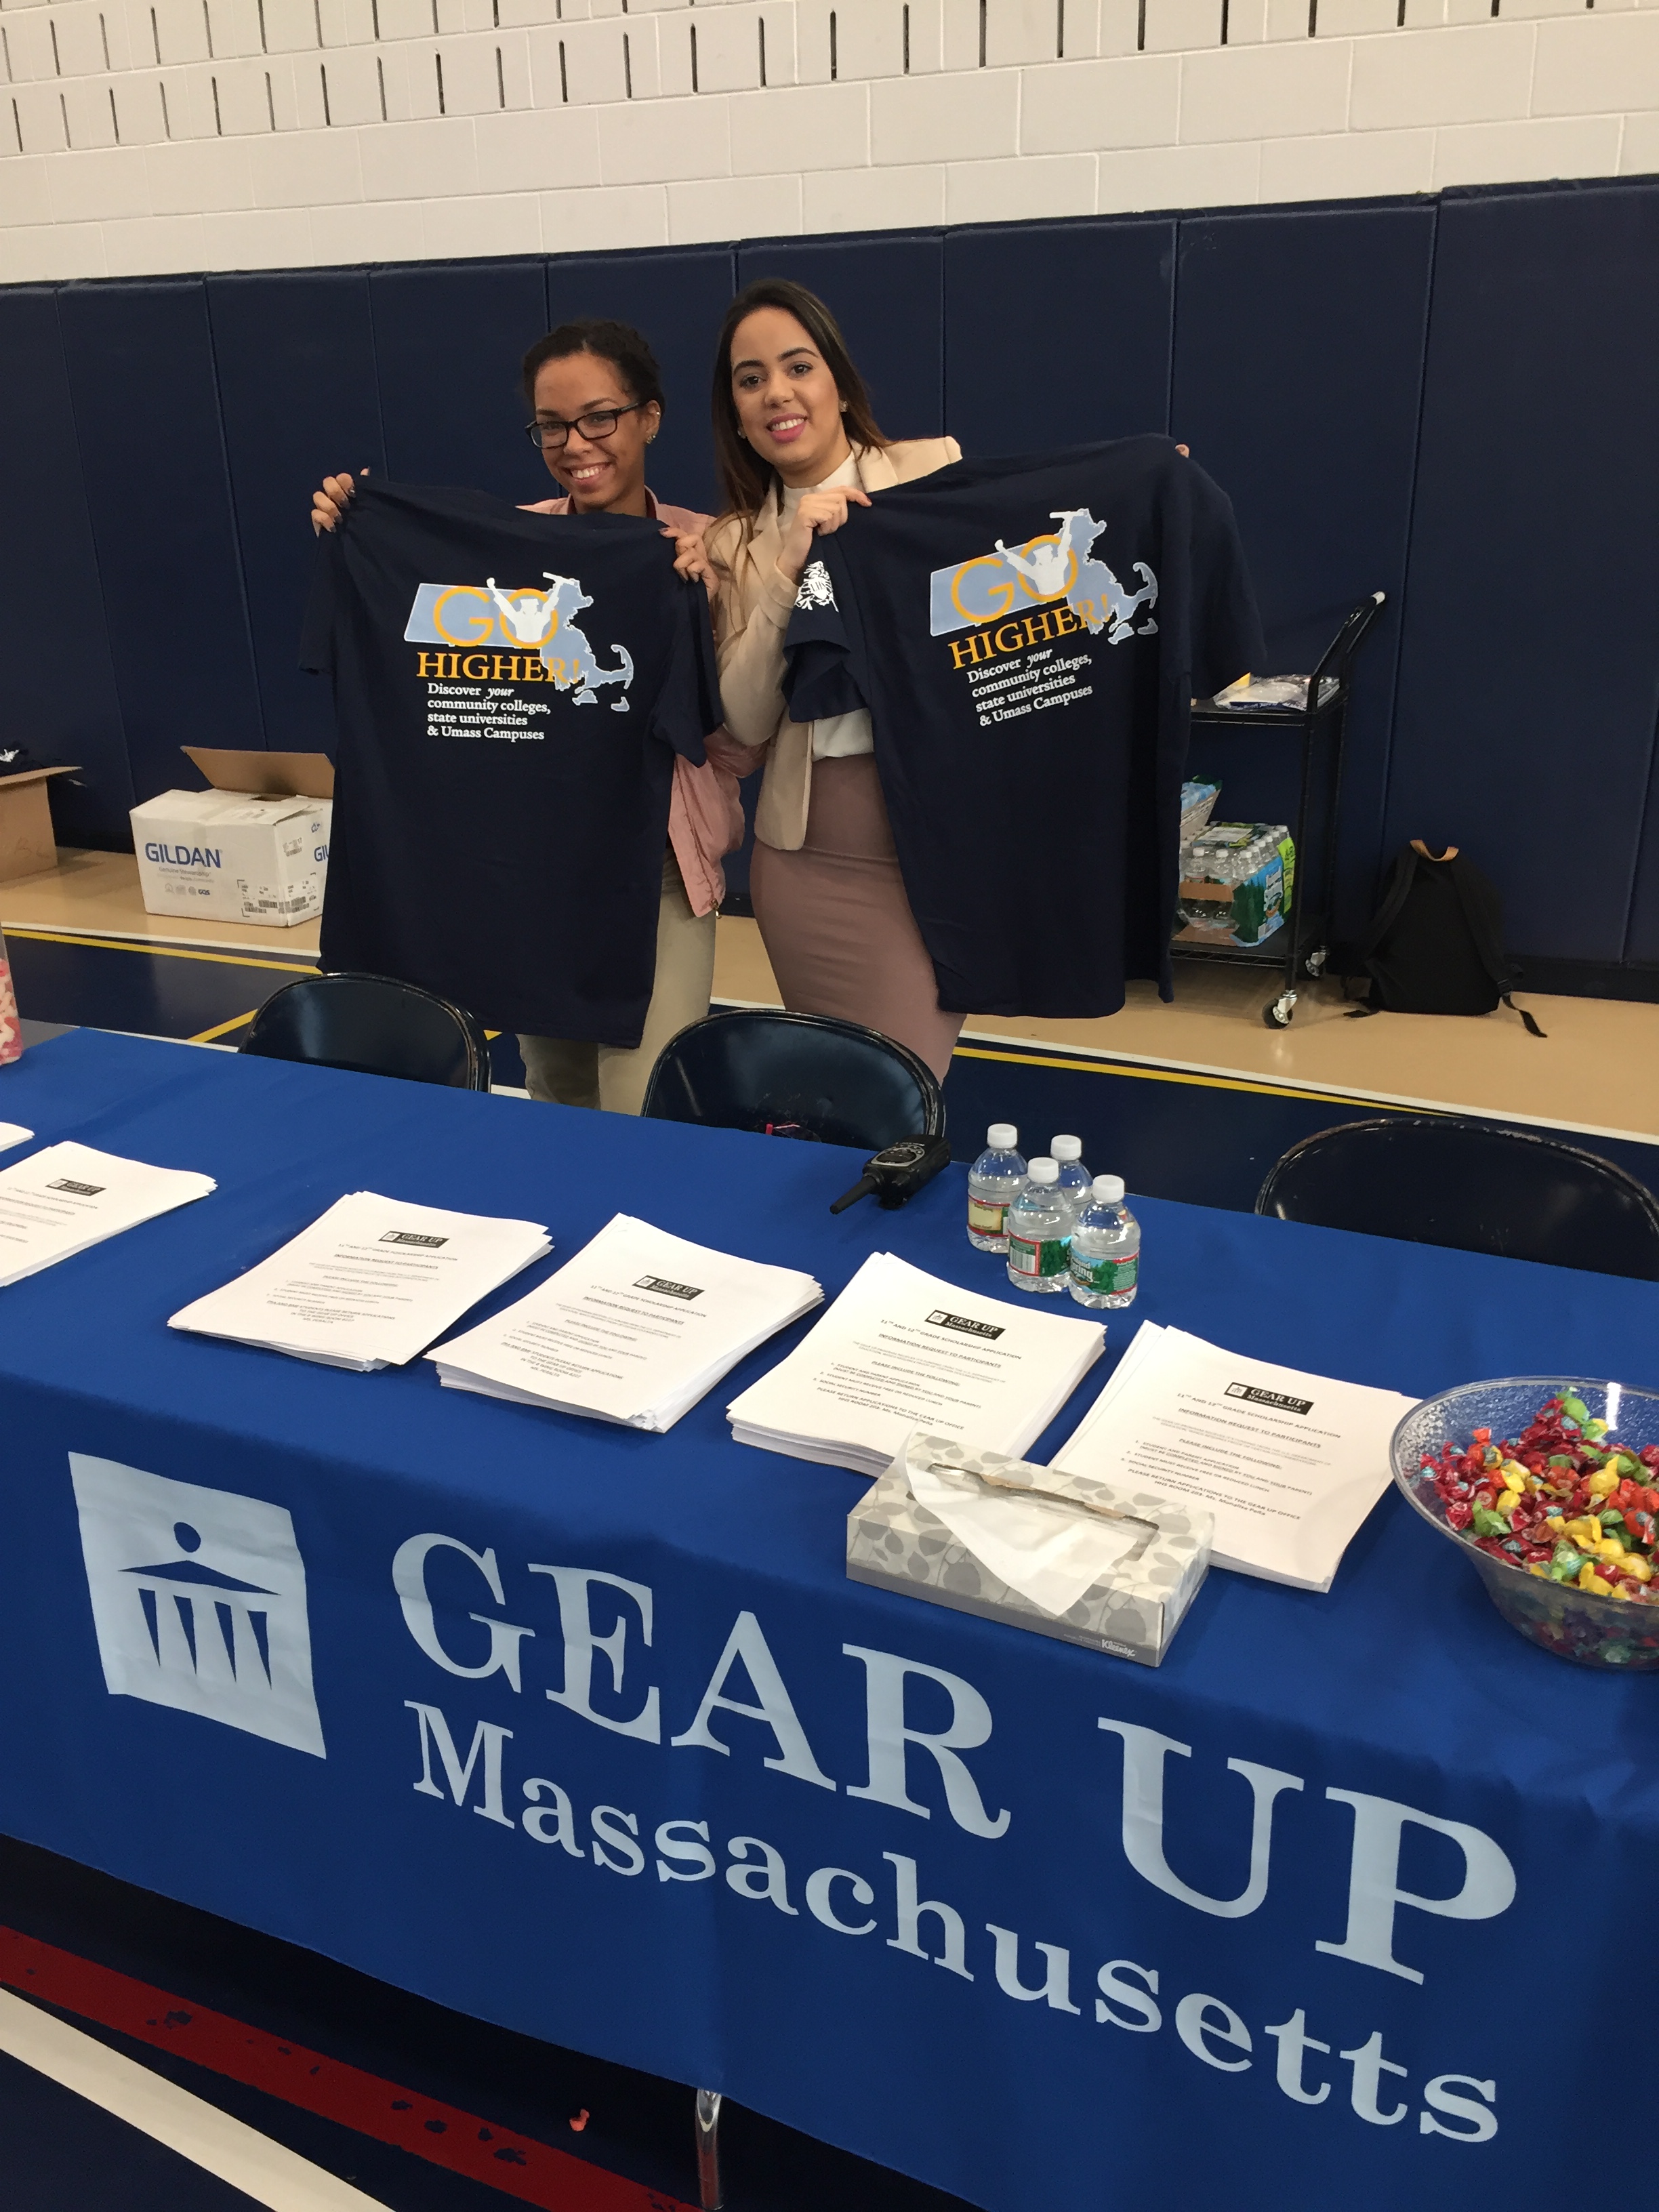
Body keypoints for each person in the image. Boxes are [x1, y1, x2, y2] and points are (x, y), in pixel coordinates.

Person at [310, 319, 745, 1115]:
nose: (576, 443)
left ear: (649, 416)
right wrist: (359, 527)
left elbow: (741, 743)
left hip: (655, 874)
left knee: (642, 1107)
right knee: (555, 1097)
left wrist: (706, 618)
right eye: (552, 425)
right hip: (539, 876)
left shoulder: (708, 551)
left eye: (600, 417)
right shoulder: (503, 552)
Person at [699, 280, 962, 1084]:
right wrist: (788, 562)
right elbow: (744, 719)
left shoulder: (930, 473)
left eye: (798, 366)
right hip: (804, 863)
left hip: (931, 851)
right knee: (832, 1096)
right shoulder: (734, 546)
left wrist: (1137, 493)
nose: (776, 392)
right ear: (739, 416)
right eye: (750, 379)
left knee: (906, 1093)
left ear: (838, 385)